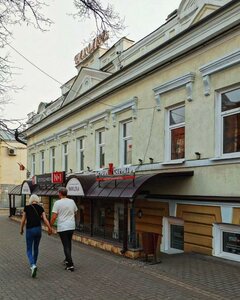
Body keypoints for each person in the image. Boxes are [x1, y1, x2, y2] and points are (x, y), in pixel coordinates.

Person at [20, 194, 52, 278]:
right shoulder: (40, 208)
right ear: (37, 200)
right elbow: (45, 219)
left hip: (30, 230)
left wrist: (21, 229)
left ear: (30, 200)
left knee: (29, 249)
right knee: (36, 248)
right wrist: (49, 228)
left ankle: (33, 265)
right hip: (38, 230)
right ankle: (34, 264)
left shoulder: (27, 208)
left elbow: (23, 219)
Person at [50, 187, 78, 272]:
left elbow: (54, 217)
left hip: (63, 227)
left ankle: (70, 265)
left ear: (60, 194)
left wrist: (49, 226)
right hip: (71, 226)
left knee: (65, 245)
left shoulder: (57, 203)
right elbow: (75, 212)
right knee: (68, 243)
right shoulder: (72, 201)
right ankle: (67, 259)